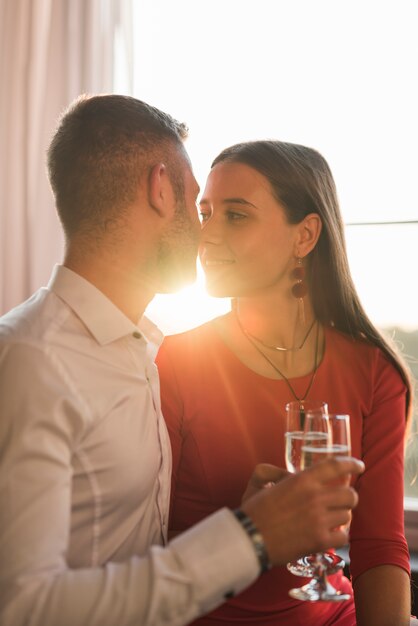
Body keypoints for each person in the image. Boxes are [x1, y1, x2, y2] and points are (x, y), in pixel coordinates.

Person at [0, 96, 363, 626]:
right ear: (160, 188)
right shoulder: (30, 360)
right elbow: (21, 608)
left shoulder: (142, 351)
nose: (207, 234)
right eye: (198, 205)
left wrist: (248, 518)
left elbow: (138, 548)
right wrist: (250, 538)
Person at [156, 140, 414, 626]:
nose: (205, 234)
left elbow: (379, 545)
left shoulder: (375, 372)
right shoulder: (175, 362)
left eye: (235, 215)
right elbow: (143, 545)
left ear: (305, 236)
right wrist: (245, 527)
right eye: (205, 213)